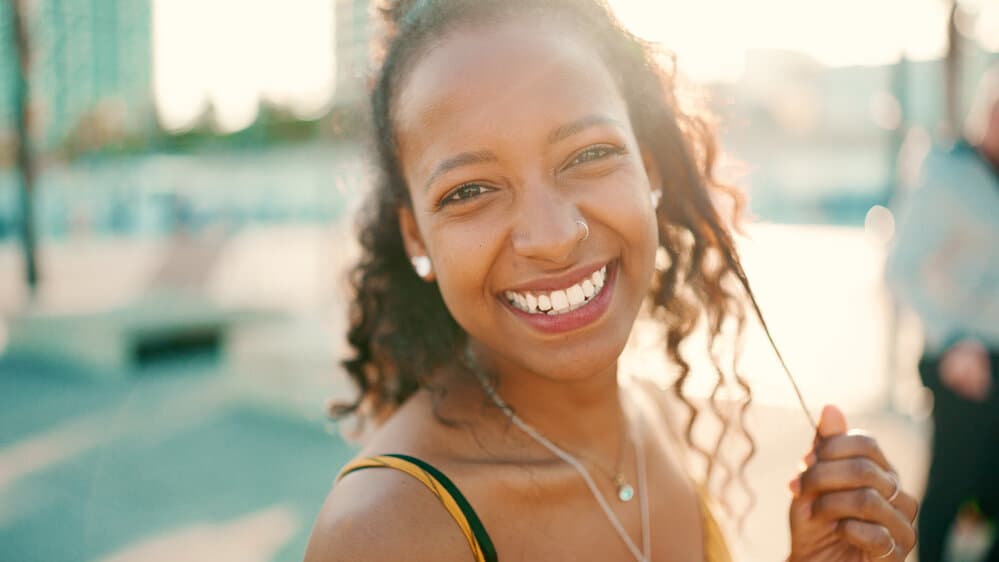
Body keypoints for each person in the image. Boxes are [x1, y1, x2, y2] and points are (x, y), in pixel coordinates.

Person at [306, 1, 919, 560]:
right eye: (470, 190)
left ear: (648, 167)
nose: (551, 235)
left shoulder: (655, 420)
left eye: (589, 154)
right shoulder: (388, 530)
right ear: (416, 237)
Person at [887, 65, 999, 562]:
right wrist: (952, 342)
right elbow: (899, 269)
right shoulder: (947, 176)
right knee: (950, 493)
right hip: (963, 364)